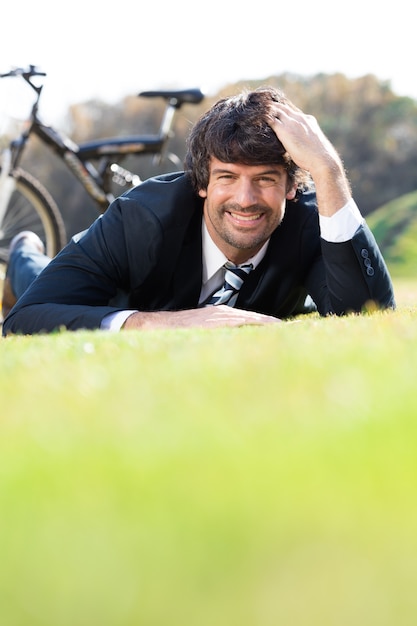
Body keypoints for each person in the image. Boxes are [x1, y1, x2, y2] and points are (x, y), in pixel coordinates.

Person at [2, 86, 395, 336]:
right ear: (201, 183)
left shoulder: (313, 221)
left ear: (293, 186)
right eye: (227, 177)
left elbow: (365, 314)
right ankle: (23, 250)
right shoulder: (140, 218)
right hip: (112, 298)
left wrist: (327, 169)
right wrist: (159, 322)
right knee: (34, 278)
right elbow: (26, 318)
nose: (245, 199)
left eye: (265, 179)